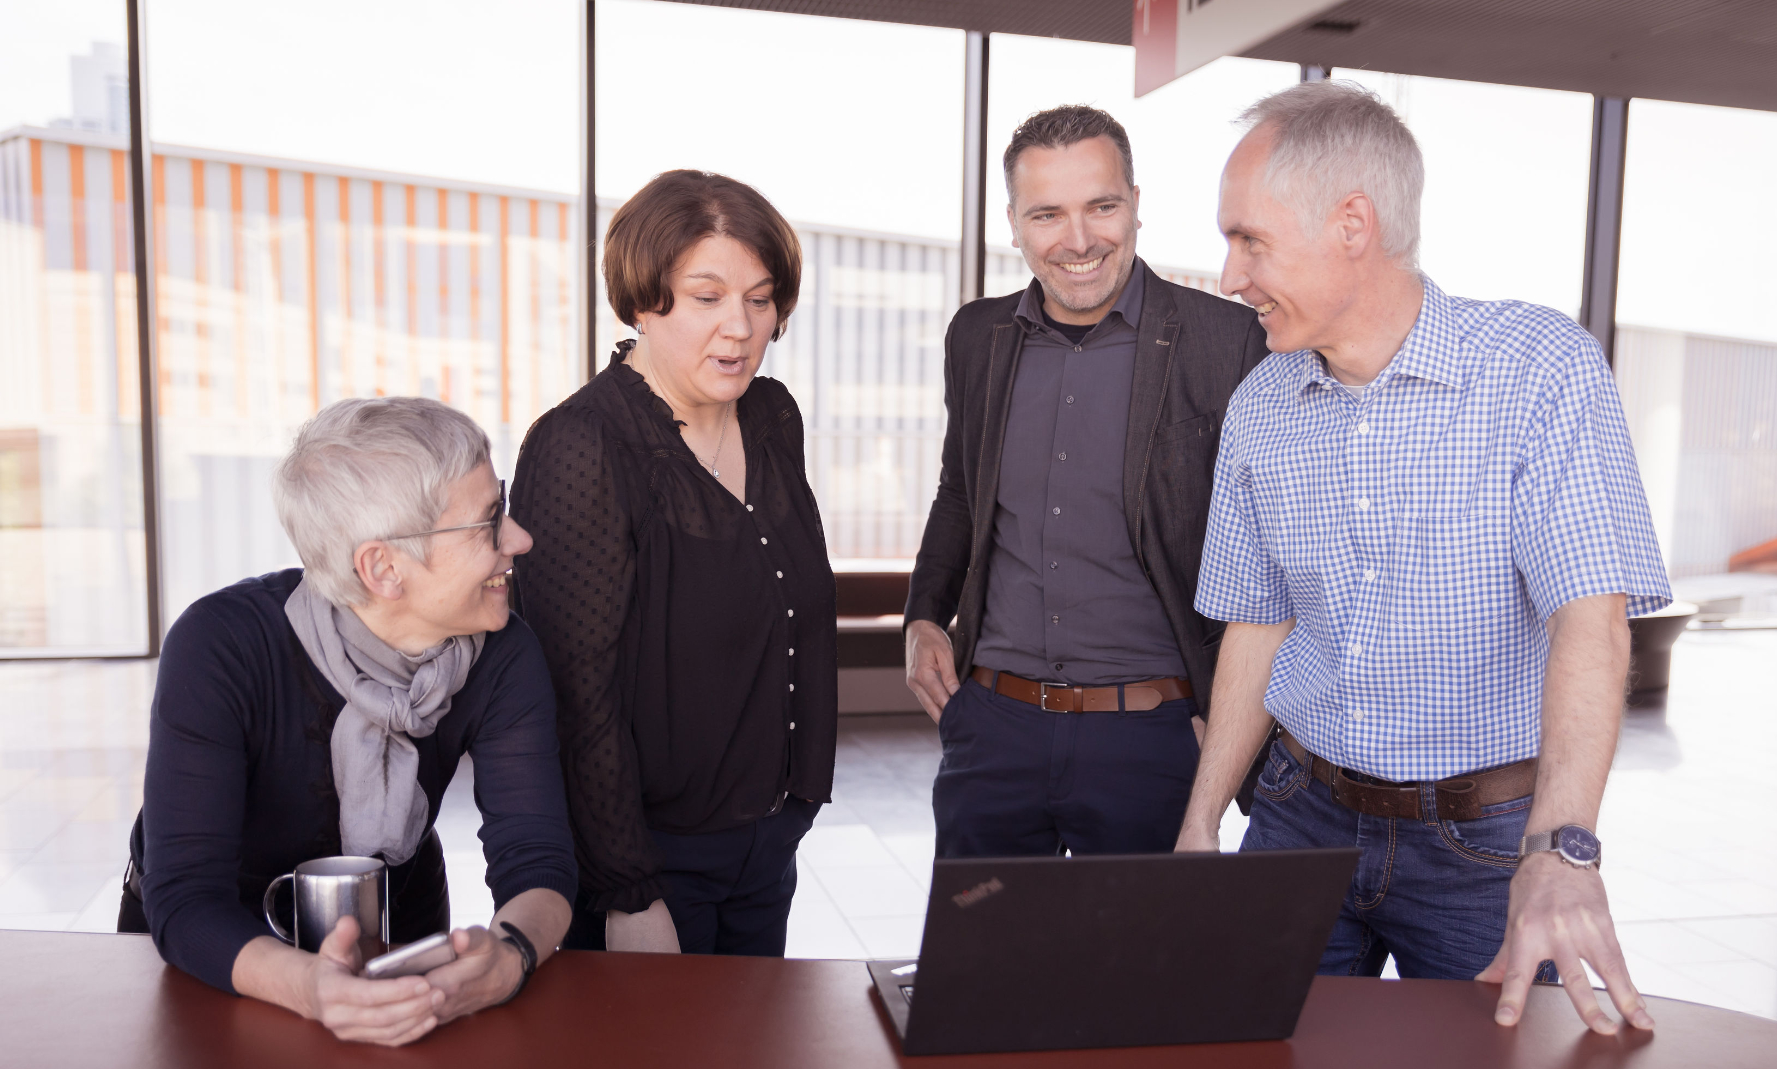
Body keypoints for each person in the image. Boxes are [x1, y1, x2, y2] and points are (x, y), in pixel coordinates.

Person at [1174, 80, 1671, 1035]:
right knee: (1253, 1049)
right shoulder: (1261, 406)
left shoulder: (1538, 369)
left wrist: (1563, 851)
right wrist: (1203, 824)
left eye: (1250, 240)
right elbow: (1257, 623)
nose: (1230, 275)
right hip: (1297, 813)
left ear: (1352, 224)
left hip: (1483, 846)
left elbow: (1591, 619)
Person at [121, 397, 576, 1047]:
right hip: (210, 956)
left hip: (396, 935)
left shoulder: (504, 651)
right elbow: (188, 898)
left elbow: (539, 862)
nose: (519, 539)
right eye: (488, 521)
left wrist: (508, 957)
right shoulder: (220, 646)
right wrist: (311, 986)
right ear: (383, 568)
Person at [905, 105, 1269, 859]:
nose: (1078, 240)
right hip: (992, 731)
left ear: (1136, 202)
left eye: (1101, 206)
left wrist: (1218, 727)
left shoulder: (1228, 341)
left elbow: (1267, 555)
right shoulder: (977, 335)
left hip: (1154, 736)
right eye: (1048, 214)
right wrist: (922, 616)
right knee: (989, 973)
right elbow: (959, 493)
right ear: (1013, 222)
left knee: (1143, 977)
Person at [510, 170, 835, 957]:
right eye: (706, 297)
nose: (741, 327)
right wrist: (629, 888)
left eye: (760, 299)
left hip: (768, 837)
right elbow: (575, 694)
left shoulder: (770, 415)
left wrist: (790, 814)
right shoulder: (582, 444)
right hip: (656, 858)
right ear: (641, 302)